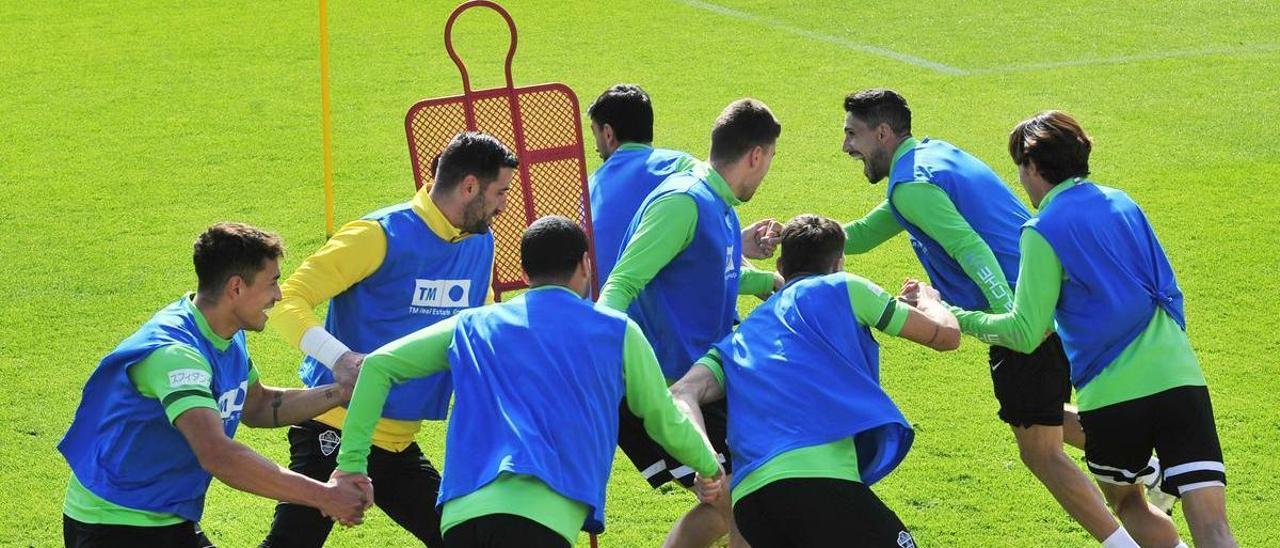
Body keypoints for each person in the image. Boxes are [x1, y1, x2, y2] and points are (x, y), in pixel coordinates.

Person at [837, 88, 1139, 540]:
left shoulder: (912, 186)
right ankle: (1154, 471)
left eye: (852, 135)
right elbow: (860, 235)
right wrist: (794, 235)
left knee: (1040, 451)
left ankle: (1125, 540)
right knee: (1043, 417)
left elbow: (969, 247)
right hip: (1051, 296)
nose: (846, 147)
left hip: (1023, 310)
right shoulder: (929, 159)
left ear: (882, 133)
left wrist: (1013, 319)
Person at [335, 216, 726, 547]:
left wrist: (351, 464)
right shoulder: (617, 331)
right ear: (585, 265)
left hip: (459, 518)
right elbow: (662, 418)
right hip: (543, 520)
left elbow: (377, 366)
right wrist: (708, 465)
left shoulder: (473, 324)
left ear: (525, 274)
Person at [940, 110, 1235, 548]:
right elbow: (1169, 289)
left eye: (1019, 167)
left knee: (1130, 504)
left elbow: (1026, 331)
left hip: (1112, 396)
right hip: (1180, 379)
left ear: (1033, 167)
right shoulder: (1123, 201)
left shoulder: (1042, 229)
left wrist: (953, 315)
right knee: (1213, 527)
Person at [261, 132, 517, 547]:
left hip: (398, 442)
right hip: (336, 428)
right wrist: (339, 357)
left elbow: (478, 325)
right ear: (470, 186)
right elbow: (287, 298)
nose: (505, 204)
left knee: (465, 541)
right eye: (500, 192)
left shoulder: (480, 244)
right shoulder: (378, 234)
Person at [58, 222, 371, 548]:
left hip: (165, 515)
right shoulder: (176, 355)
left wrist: (341, 390)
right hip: (114, 523)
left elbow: (258, 405)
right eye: (272, 283)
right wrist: (324, 496)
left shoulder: (224, 332)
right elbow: (218, 454)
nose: (279, 295)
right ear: (236, 287)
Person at [670, 214, 962, 547]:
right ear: (839, 263)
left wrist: (706, 460)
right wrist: (929, 301)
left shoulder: (737, 340)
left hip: (753, 504)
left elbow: (682, 392)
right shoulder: (845, 287)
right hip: (820, 483)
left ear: (780, 266)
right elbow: (946, 336)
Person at [598, 98, 783, 547]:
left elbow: (702, 273)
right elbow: (621, 284)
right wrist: (597, 359)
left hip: (704, 380)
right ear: (755, 155)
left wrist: (762, 282)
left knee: (728, 506)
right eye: (770, 161)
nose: (766, 171)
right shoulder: (682, 202)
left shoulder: (719, 202)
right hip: (665, 390)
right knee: (749, 506)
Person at [587, 83, 781, 286]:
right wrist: (767, 279)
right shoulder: (684, 168)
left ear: (608, 134)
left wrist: (737, 242)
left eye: (594, 133)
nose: (595, 147)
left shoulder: (588, 188)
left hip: (601, 306)